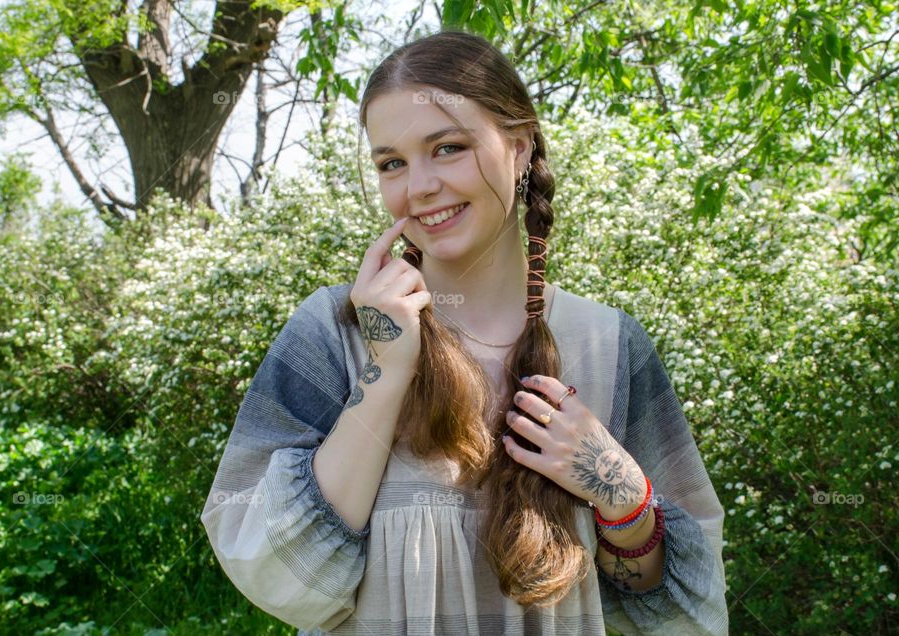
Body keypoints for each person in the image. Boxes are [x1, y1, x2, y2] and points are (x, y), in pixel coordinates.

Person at [200, 29, 728, 635]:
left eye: (446, 148)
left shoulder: (609, 345)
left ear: (521, 146)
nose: (418, 186)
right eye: (391, 163)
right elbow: (280, 580)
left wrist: (624, 497)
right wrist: (386, 371)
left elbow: (684, 613)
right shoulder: (331, 331)